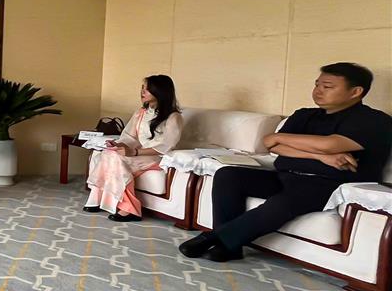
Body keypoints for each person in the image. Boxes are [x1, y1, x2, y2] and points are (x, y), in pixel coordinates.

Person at [181, 62, 392, 262]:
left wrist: (281, 138)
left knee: (282, 203)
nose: (318, 91)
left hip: (329, 184)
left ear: (356, 92)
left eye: (327, 86)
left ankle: (213, 238)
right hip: (286, 175)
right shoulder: (304, 115)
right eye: (317, 85)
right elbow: (271, 145)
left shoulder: (374, 120)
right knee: (229, 175)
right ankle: (230, 247)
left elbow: (330, 144)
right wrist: (320, 156)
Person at [84, 75, 183, 221]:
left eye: (147, 89)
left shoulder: (174, 117)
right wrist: (119, 145)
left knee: (115, 159)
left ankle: (130, 209)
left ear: (160, 91)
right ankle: (100, 200)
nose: (142, 92)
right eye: (142, 88)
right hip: (139, 153)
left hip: (157, 157)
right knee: (108, 153)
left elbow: (166, 146)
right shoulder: (140, 113)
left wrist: (134, 152)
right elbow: (130, 137)